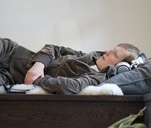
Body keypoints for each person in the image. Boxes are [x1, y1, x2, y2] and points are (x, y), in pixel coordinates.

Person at [0, 38, 142, 94]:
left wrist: (37, 80)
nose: (107, 51)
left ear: (119, 67)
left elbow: (67, 86)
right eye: (112, 48)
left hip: (9, 77)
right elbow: (53, 48)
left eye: (114, 54)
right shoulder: (85, 55)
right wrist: (39, 65)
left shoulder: (94, 78)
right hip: (11, 52)